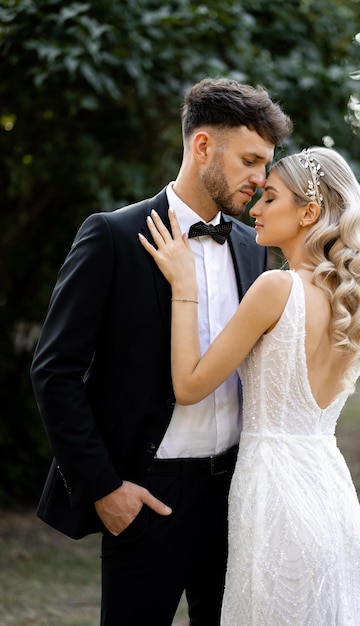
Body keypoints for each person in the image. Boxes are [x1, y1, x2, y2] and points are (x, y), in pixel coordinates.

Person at [30, 77, 292, 626]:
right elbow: (55, 372)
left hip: (236, 498)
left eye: (266, 164)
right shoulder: (111, 237)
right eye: (249, 160)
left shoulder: (252, 247)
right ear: (202, 147)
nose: (259, 179)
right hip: (147, 497)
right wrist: (105, 488)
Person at [139, 146, 360, 625]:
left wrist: (184, 285)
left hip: (274, 497)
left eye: (269, 197)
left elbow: (189, 385)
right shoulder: (354, 304)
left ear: (308, 211)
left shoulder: (278, 287)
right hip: (332, 497)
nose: (254, 208)